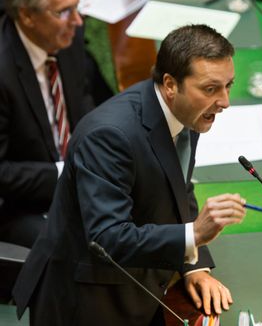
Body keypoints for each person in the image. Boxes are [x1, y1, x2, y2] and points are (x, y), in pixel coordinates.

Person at [13, 24, 247, 326]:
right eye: (211, 88)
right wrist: (194, 234)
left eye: (228, 85)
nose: (225, 101)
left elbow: (177, 186)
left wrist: (194, 266)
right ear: (170, 84)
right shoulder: (109, 136)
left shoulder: (188, 110)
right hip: (89, 302)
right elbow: (108, 238)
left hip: (144, 285)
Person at [0, 0, 112, 248]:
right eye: (63, 11)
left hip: (80, 182)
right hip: (19, 204)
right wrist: (67, 172)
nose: (77, 21)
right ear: (27, 15)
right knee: (77, 248)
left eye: (77, 7)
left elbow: (87, 108)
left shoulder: (67, 38)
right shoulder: (3, 70)